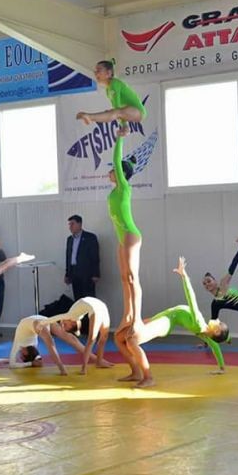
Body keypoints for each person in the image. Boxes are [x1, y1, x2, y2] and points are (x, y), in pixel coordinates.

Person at [116, 257, 229, 388]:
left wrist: (184, 276)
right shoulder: (205, 334)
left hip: (166, 322)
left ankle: (148, 378)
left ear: (216, 331)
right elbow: (216, 347)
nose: (217, 320)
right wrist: (222, 367)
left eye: (218, 323)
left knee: (132, 340)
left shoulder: (200, 324)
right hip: (162, 317)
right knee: (119, 337)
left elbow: (191, 298)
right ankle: (136, 372)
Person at [103, 127, 144, 380]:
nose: (110, 171)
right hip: (122, 238)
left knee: (131, 277)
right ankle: (127, 313)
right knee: (123, 278)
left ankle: (135, 316)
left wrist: (119, 138)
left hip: (130, 234)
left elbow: (117, 160)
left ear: (120, 173)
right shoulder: (114, 190)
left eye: (114, 170)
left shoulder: (124, 187)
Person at [38, 297, 114, 374]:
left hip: (99, 306)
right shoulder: (75, 318)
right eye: (65, 325)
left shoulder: (69, 315)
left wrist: (41, 323)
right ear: (73, 323)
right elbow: (77, 330)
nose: (62, 324)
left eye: (64, 325)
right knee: (92, 339)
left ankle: (98, 362)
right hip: (99, 306)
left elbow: (54, 318)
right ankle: (85, 366)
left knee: (102, 338)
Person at [76, 60, 146, 127]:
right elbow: (117, 110)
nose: (95, 73)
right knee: (111, 112)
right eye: (95, 71)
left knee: (114, 112)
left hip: (138, 111)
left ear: (108, 73)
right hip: (129, 111)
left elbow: (117, 108)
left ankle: (90, 117)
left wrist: (124, 124)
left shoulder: (114, 83)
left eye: (98, 70)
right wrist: (124, 125)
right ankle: (90, 117)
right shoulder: (108, 89)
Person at [65, 215, 100, 304]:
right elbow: (68, 257)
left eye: (72, 224)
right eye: (69, 224)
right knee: (78, 300)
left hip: (87, 274)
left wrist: (96, 274)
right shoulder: (70, 239)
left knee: (89, 299)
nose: (70, 227)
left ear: (79, 224)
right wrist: (67, 274)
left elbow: (95, 256)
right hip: (74, 273)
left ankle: (91, 314)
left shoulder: (90, 237)